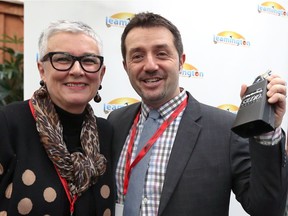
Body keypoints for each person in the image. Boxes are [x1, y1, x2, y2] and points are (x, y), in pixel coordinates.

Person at [107, 12, 288, 216]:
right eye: (137, 56)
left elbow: (267, 209)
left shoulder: (225, 129)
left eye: (161, 53)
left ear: (181, 61)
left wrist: (266, 131)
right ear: (125, 66)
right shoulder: (115, 122)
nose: (150, 65)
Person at [0, 20, 115, 215]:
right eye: (62, 59)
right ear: (42, 70)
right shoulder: (8, 123)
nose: (77, 70)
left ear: (101, 74)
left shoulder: (107, 132)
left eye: (89, 60)